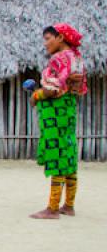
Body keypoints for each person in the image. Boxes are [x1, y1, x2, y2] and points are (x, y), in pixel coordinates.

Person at [29, 23, 88, 220]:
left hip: (57, 114)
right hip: (69, 110)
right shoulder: (77, 59)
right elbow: (75, 87)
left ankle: (53, 208)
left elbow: (52, 90)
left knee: (56, 154)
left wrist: (36, 96)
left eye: (48, 39)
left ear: (60, 37)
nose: (45, 44)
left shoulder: (60, 58)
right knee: (68, 154)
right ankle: (68, 205)